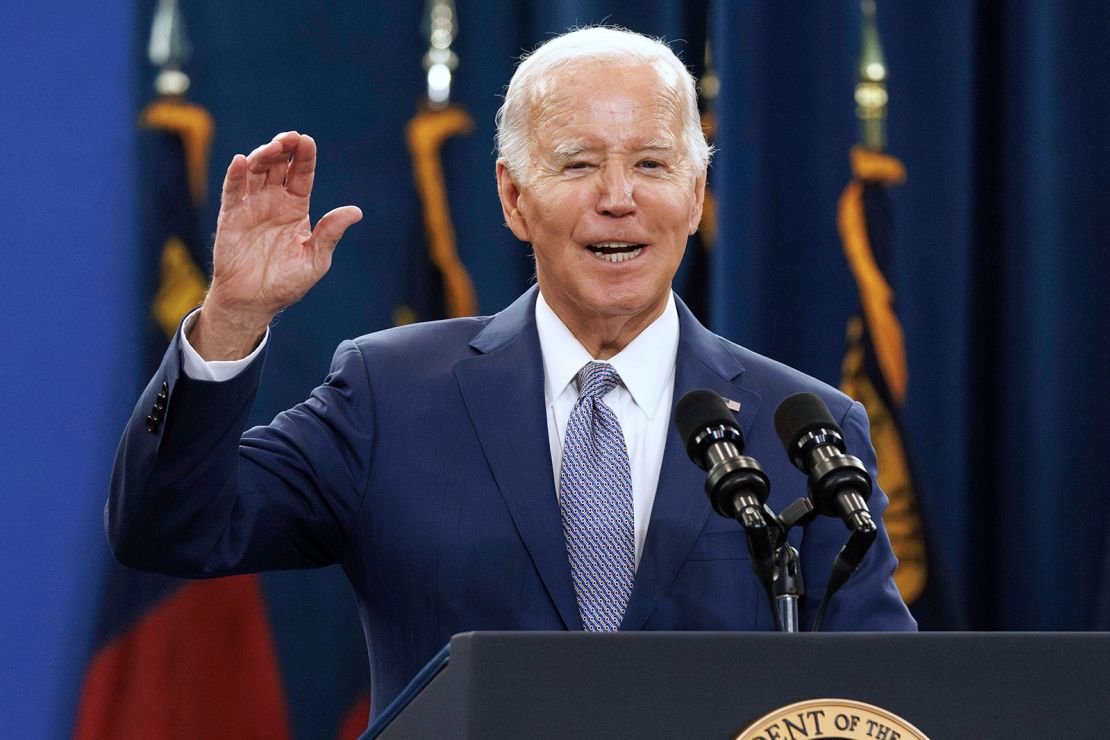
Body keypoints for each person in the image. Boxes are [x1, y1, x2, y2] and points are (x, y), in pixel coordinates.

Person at [108, 27, 915, 721]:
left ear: (697, 193)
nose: (618, 198)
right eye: (577, 165)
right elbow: (172, 529)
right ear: (512, 197)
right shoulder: (389, 395)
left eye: (652, 164)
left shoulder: (804, 427)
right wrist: (233, 320)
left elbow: (880, 700)